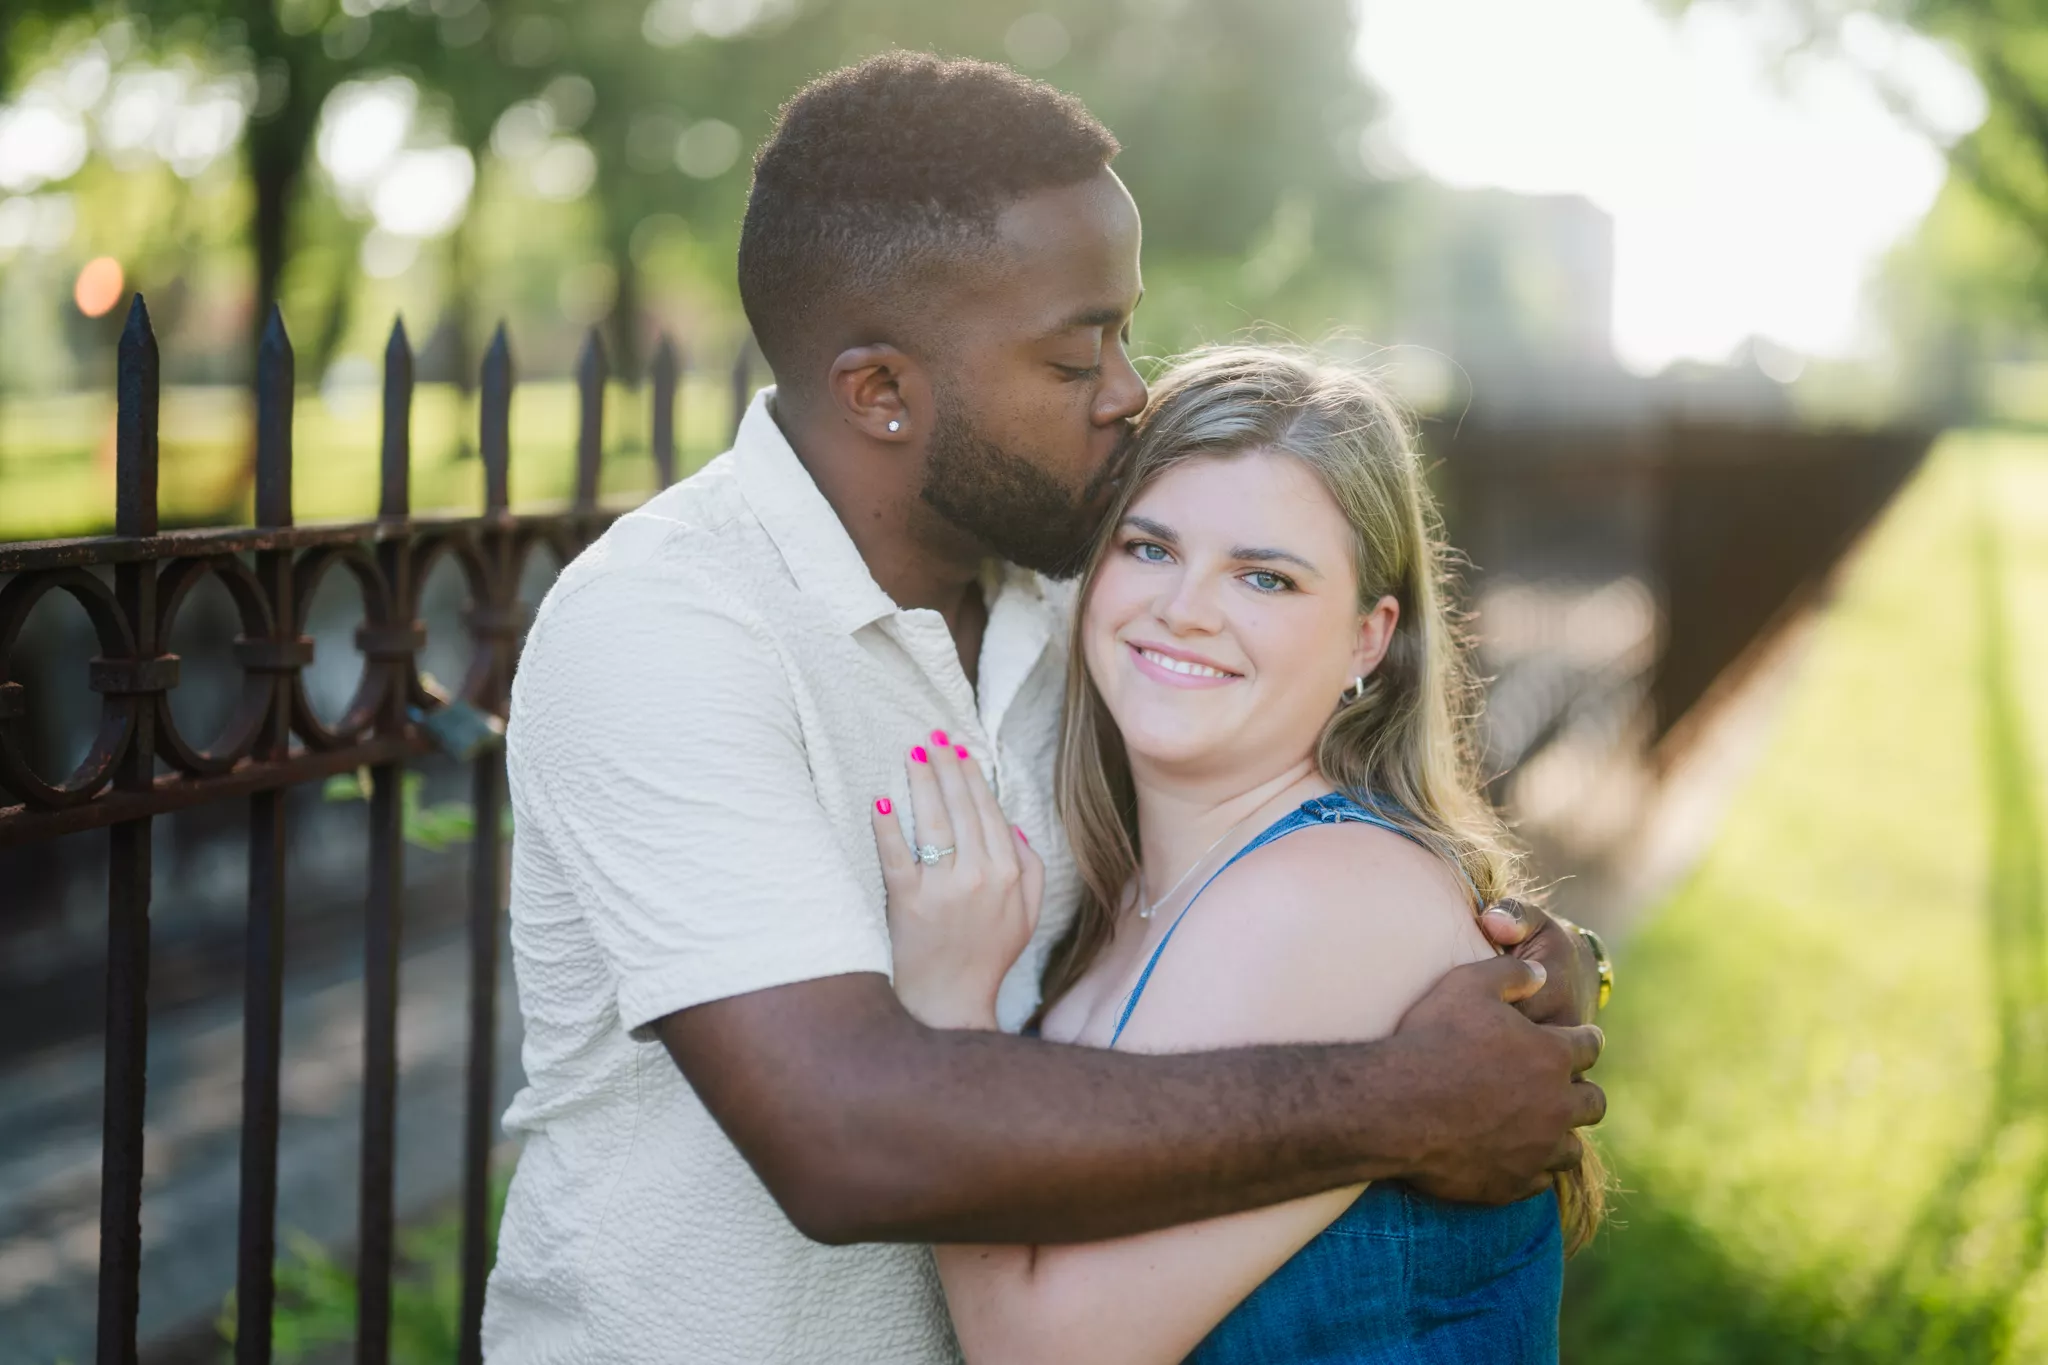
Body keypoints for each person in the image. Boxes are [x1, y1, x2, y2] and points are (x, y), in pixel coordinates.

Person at [483, 53, 1606, 1365]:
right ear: (882, 391)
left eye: (1125, 334)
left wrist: (1499, 959)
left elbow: (1291, 809)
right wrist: (1401, 1096)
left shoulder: (1075, 584)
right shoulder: (670, 630)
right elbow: (844, 1134)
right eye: (1077, 356)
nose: (1129, 390)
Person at [874, 345, 1600, 1365]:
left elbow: (1043, 1352)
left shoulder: (1324, 897)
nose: (1185, 608)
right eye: (1150, 548)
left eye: (1265, 576)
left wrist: (946, 1012)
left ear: (1367, 639)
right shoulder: (1130, 892)